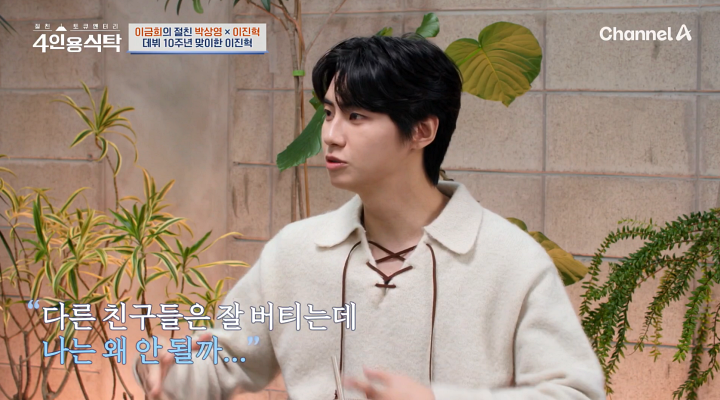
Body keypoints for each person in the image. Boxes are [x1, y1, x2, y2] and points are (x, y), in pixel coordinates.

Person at [134, 34, 606, 400]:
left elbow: (574, 393)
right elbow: (224, 360)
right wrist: (167, 370)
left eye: (356, 116)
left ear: (422, 130)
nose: (331, 135)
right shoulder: (294, 252)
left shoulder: (510, 260)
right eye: (329, 113)